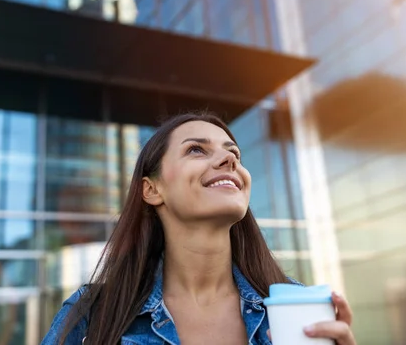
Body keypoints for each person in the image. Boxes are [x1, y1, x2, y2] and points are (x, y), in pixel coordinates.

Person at [42, 112, 356, 344]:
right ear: (152, 190)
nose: (228, 159)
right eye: (196, 149)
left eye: (234, 152)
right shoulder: (93, 314)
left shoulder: (295, 308)